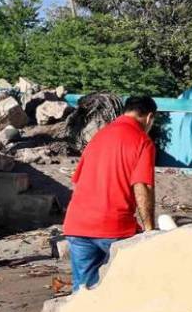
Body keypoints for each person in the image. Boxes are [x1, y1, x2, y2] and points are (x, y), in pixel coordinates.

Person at [61, 95, 158, 290]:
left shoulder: (99, 136)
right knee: (123, 287)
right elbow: (142, 186)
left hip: (77, 224)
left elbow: (78, 179)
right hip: (113, 227)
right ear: (149, 118)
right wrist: (149, 229)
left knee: (82, 291)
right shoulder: (142, 141)